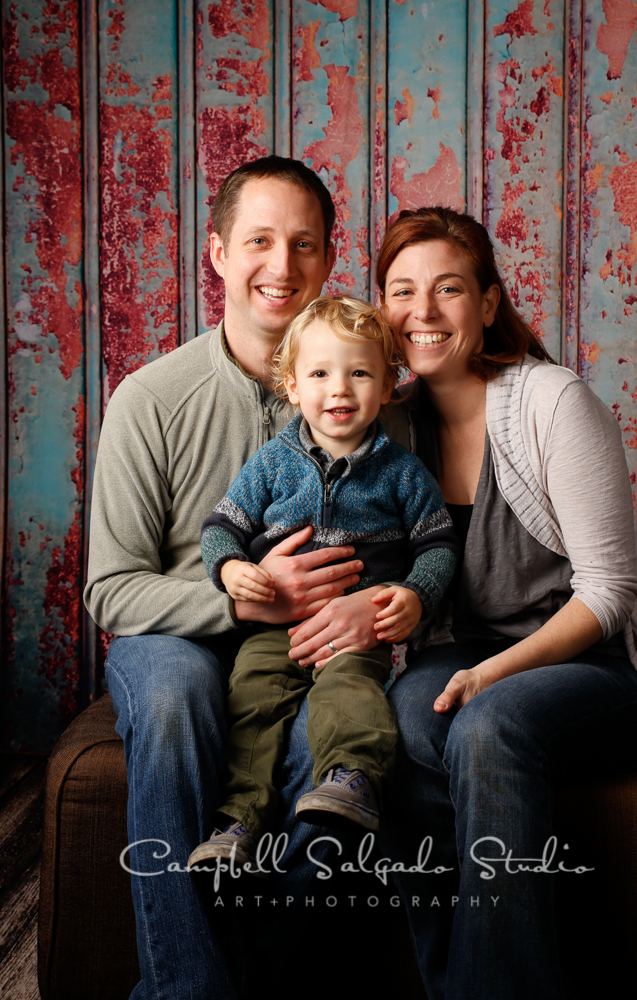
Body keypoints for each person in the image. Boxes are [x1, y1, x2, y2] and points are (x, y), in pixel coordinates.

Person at [84, 157, 409, 1000]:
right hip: (179, 639)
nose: (282, 264)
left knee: (325, 761)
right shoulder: (151, 399)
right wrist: (241, 594)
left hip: (313, 651)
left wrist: (376, 610)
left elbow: (420, 555)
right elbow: (112, 587)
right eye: (259, 240)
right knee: (173, 696)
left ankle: (231, 979)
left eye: (304, 244)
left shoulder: (371, 408)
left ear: (330, 258)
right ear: (219, 253)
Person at [374, 207, 637, 1000]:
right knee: (407, 718)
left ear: (487, 302)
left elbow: (609, 591)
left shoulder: (550, 399)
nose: (425, 312)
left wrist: (494, 675)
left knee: (489, 722)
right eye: (402, 291)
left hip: (597, 664)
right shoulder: (392, 427)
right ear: (381, 309)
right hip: (461, 655)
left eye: (448, 289)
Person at [188, 295, 458, 869]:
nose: (339, 389)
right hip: (277, 628)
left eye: (360, 373)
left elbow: (438, 545)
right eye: (319, 373)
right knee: (253, 698)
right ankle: (238, 819)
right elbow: (221, 528)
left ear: (388, 386)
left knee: (351, 691)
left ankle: (350, 781)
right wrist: (233, 570)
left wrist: (414, 593)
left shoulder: (401, 471)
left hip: (360, 634)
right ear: (290, 384)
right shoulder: (272, 462)